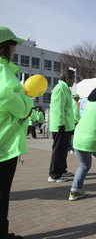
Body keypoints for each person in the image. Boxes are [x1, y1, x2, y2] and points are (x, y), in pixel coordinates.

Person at [0, 26, 33, 239]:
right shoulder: (3, 71)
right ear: (3, 47)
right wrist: (27, 101)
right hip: (3, 142)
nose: (15, 49)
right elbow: (13, 102)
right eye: (13, 45)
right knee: (2, 192)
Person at [48, 69, 75, 182]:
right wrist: (60, 124)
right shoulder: (60, 89)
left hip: (65, 125)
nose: (74, 81)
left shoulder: (65, 89)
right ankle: (54, 175)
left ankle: (62, 169)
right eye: (73, 79)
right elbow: (57, 108)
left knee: (63, 150)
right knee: (58, 150)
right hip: (61, 125)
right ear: (67, 79)